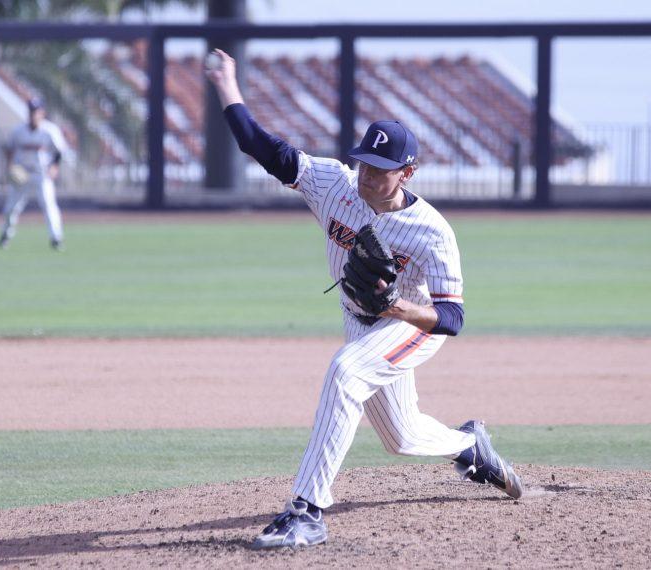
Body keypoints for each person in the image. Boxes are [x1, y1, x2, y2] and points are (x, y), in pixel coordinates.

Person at [206, 48, 524, 549]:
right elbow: (259, 145)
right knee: (402, 437)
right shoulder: (335, 184)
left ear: (407, 173)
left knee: (345, 372)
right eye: (364, 164)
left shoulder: (432, 231)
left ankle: (307, 511)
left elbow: (453, 317)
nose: (367, 176)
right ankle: (469, 445)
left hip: (410, 325)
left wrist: (396, 307)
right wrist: (226, 84)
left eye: (380, 169)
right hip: (359, 320)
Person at [0, 96, 68, 251]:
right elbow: (8, 148)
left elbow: (59, 151)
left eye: (36, 111)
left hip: (41, 174)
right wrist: (10, 166)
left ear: (42, 113)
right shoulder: (18, 131)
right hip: (21, 173)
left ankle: (56, 238)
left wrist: (54, 166)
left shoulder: (50, 130)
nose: (33, 114)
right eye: (31, 111)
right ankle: (6, 234)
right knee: (11, 207)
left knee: (49, 206)